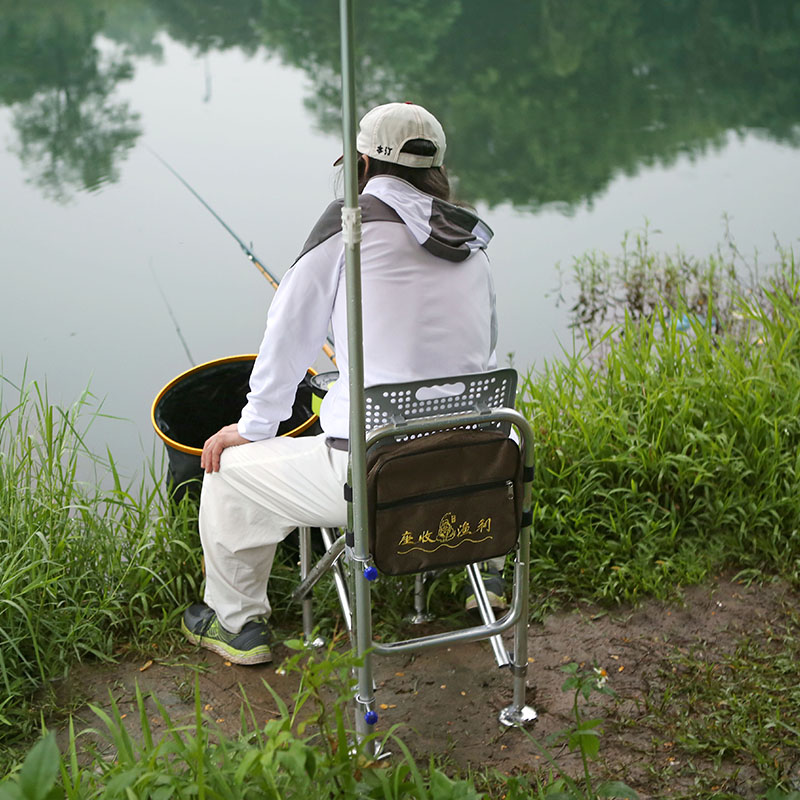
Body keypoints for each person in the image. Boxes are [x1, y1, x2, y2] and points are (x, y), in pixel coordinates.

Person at [182, 102, 503, 665]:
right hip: (470, 468)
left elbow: (288, 338)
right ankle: (491, 569)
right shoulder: (470, 241)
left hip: (376, 476)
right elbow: (481, 351)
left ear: (360, 164)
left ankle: (236, 624)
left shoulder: (348, 227)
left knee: (229, 471)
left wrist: (253, 428)